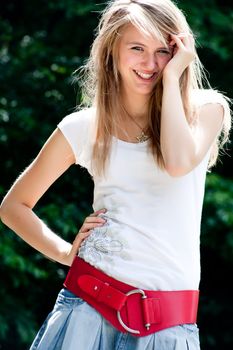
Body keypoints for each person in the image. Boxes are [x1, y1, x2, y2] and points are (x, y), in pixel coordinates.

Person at [0, 0, 231, 349]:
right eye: (136, 48)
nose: (150, 63)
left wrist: (172, 79)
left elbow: (178, 162)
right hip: (87, 307)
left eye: (162, 51)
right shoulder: (82, 127)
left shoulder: (205, 109)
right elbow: (14, 206)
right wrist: (65, 252)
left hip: (169, 326)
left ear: (179, 52)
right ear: (112, 52)